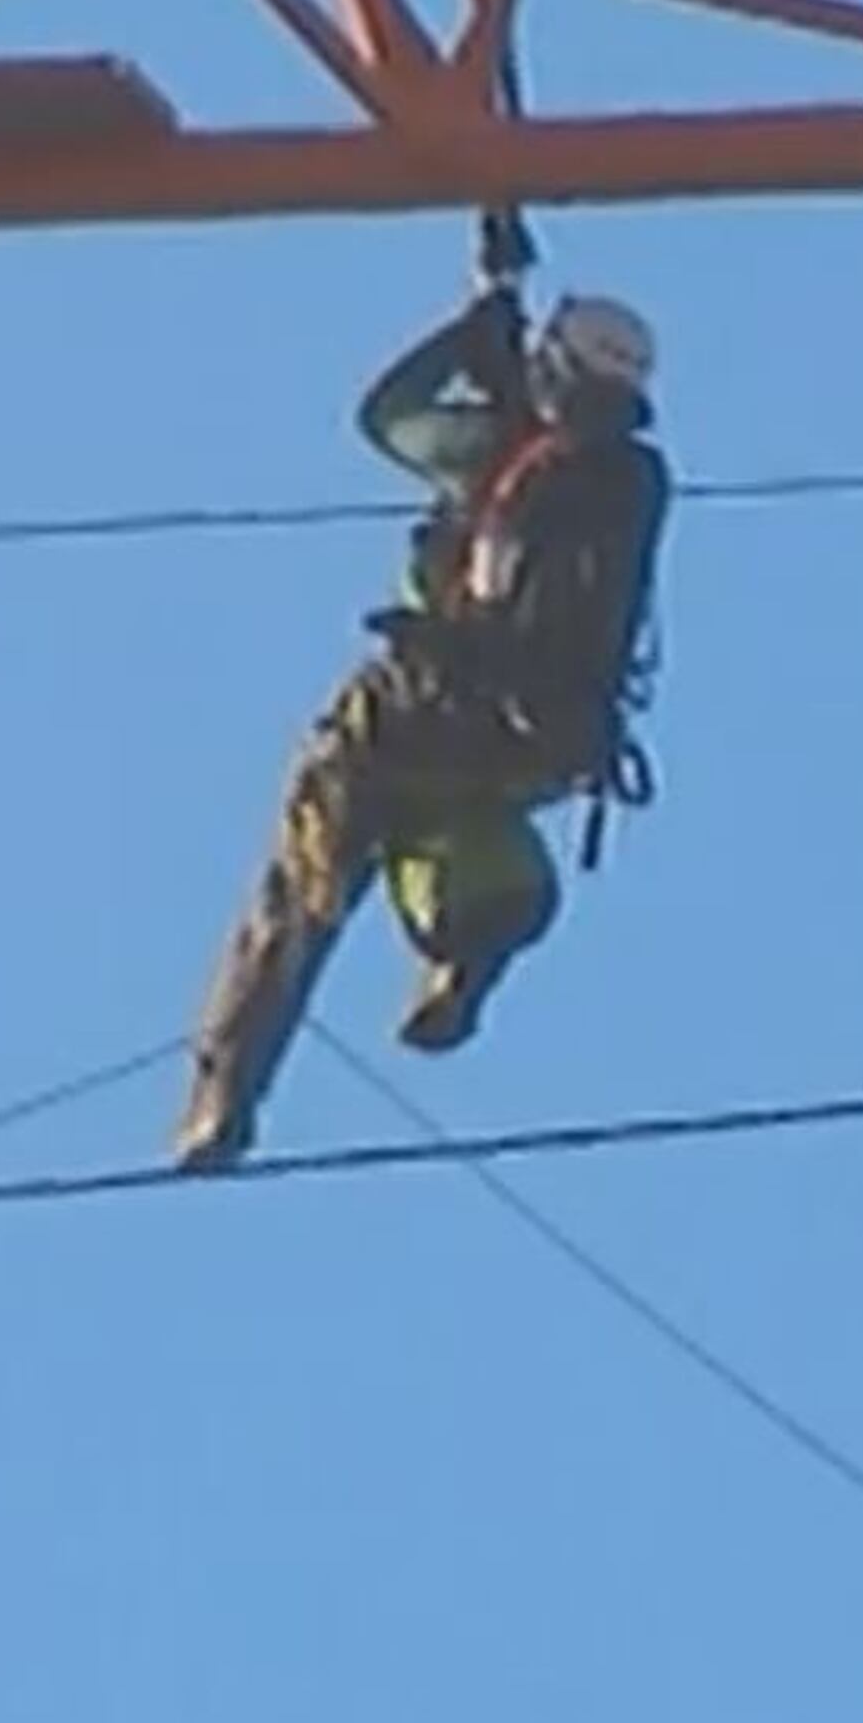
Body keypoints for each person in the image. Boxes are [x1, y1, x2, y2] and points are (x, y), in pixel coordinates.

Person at [170, 224, 670, 1173]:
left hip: (429, 711)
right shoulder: (635, 482)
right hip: (544, 744)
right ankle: (463, 958)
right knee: (447, 825)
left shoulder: (493, 456)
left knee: (304, 877)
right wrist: (500, 315)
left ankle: (222, 1097)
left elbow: (388, 413)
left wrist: (474, 328)